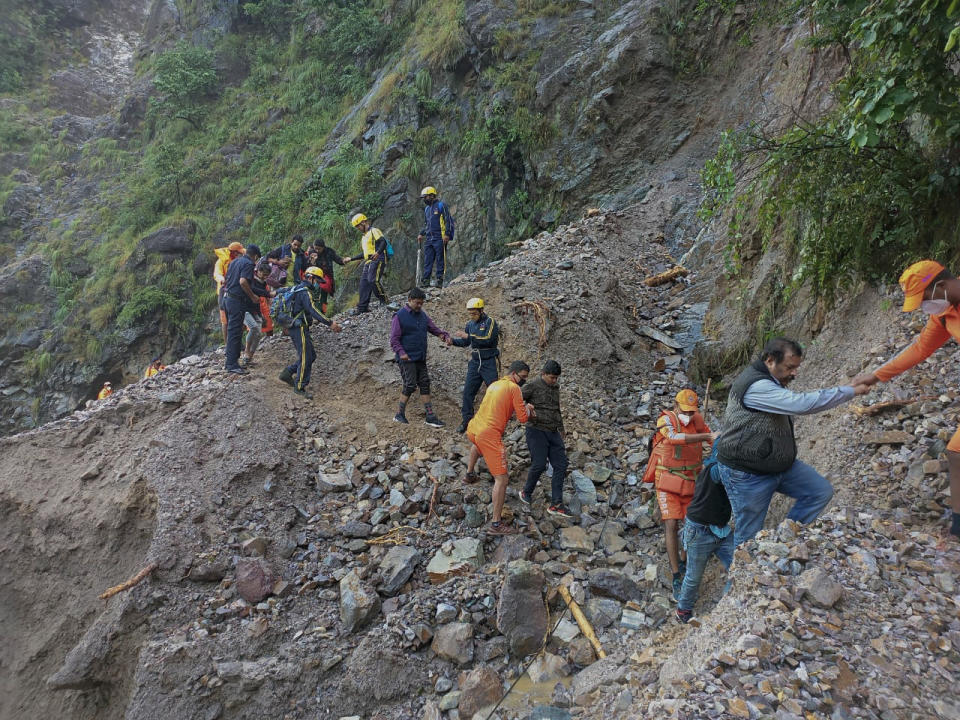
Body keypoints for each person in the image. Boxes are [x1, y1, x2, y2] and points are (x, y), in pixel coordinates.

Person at [715, 337, 869, 546]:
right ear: (770, 360)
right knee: (747, 539)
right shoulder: (757, 386)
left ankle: (785, 541)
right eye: (789, 367)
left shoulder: (772, 380)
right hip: (746, 473)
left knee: (819, 492)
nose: (794, 373)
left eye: (796, 367)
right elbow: (801, 404)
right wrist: (850, 391)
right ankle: (742, 576)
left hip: (778, 464)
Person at [852, 260, 960, 540]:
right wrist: (875, 376)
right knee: (956, 452)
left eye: (925, 298)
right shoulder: (945, 315)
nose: (925, 306)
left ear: (941, 285)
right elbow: (920, 348)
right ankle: (959, 526)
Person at [643, 389, 715, 600]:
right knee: (672, 523)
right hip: (667, 482)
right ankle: (676, 573)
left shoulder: (698, 421)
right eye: (685, 411)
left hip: (692, 482)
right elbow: (674, 439)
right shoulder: (666, 420)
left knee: (691, 524)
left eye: (692, 412)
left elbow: (714, 442)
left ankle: (685, 560)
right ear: (676, 406)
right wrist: (706, 436)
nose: (689, 415)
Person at [463, 361, 534, 535]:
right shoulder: (514, 388)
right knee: (502, 479)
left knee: (477, 445)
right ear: (514, 373)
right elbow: (523, 418)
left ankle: (469, 475)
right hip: (489, 434)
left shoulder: (495, 384)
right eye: (523, 377)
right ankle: (496, 524)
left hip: (474, 427)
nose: (524, 381)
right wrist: (529, 408)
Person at [675, 449, 733, 625]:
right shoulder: (716, 470)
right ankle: (683, 610)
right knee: (693, 576)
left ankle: (727, 604)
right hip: (699, 531)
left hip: (721, 530)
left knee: (739, 563)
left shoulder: (721, 467)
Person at [389, 286, 452, 426]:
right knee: (410, 384)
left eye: (421, 303)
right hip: (407, 358)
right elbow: (394, 339)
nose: (419, 306)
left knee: (424, 383)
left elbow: (433, 329)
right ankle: (399, 414)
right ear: (409, 300)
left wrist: (443, 335)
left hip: (420, 357)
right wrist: (401, 353)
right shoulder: (399, 316)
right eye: (417, 303)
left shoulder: (422, 316)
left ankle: (430, 417)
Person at [278, 266, 342, 398]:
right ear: (310, 278)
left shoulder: (297, 288)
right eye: (317, 281)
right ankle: (300, 386)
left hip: (297, 326)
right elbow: (312, 310)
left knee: (311, 355)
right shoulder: (304, 292)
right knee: (306, 356)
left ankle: (288, 373)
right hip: (298, 327)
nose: (318, 284)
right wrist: (330, 323)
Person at [520, 360, 573, 519]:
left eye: (556, 378)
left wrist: (561, 428)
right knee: (539, 464)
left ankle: (556, 503)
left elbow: (556, 408)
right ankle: (526, 492)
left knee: (561, 464)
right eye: (551, 377)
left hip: (553, 431)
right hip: (536, 430)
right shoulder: (533, 385)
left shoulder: (555, 387)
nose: (554, 380)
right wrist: (525, 408)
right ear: (543, 374)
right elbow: (514, 399)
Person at [452, 297, 501, 433]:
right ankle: (467, 421)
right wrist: (453, 341)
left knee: (494, 392)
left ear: (481, 310)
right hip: (475, 362)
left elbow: (487, 339)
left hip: (488, 360)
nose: (472, 316)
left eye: (474, 313)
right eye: (470, 313)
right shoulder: (470, 324)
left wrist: (468, 337)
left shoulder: (490, 322)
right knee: (468, 392)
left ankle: (496, 423)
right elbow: (466, 343)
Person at [222, 244, 262, 375]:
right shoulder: (248, 264)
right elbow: (243, 282)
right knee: (235, 332)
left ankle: (232, 361)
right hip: (236, 301)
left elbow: (228, 280)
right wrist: (252, 297)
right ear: (255, 256)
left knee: (233, 330)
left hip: (227, 298)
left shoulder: (235, 262)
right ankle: (231, 364)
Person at [345, 213, 388, 314]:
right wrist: (351, 259)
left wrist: (378, 253)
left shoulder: (374, 231)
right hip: (368, 261)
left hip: (378, 258)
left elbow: (383, 242)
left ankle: (384, 300)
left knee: (373, 280)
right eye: (357, 227)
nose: (358, 228)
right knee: (363, 284)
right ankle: (362, 308)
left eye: (358, 226)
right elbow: (364, 254)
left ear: (364, 222)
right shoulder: (364, 237)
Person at [417, 186, 455, 289]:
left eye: (425, 197)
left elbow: (448, 220)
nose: (424, 199)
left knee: (440, 259)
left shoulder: (441, 206)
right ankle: (426, 280)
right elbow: (427, 224)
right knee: (428, 259)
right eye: (423, 197)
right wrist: (421, 233)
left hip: (440, 237)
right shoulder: (427, 209)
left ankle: (439, 280)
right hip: (429, 238)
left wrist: (447, 234)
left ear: (432, 196)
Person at [213, 241, 245, 345]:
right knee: (225, 319)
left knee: (238, 316)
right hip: (223, 291)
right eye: (238, 253)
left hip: (236, 292)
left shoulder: (238, 260)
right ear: (233, 252)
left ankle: (238, 341)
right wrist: (222, 279)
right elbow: (217, 274)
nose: (239, 254)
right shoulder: (221, 261)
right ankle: (227, 344)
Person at [307, 239, 345, 314]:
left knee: (324, 296)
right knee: (314, 295)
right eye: (315, 248)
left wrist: (343, 261)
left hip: (326, 277)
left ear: (323, 247)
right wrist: (312, 261)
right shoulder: (312, 252)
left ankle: (323, 313)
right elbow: (307, 265)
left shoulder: (329, 252)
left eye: (319, 249)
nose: (317, 250)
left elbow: (338, 259)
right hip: (314, 276)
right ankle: (314, 313)